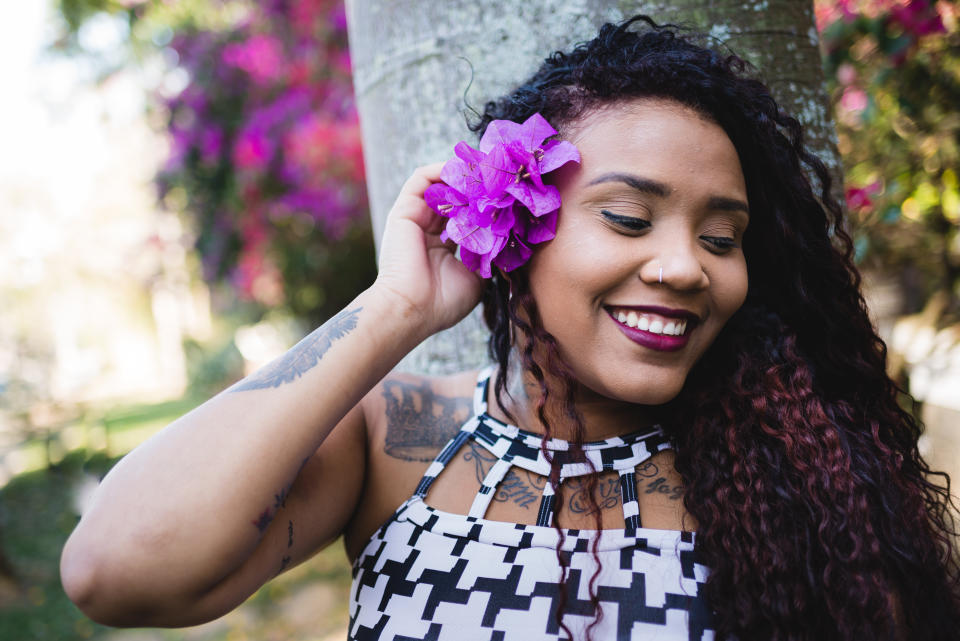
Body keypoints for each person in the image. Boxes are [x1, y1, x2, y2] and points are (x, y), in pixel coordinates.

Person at [60, 16, 960, 641]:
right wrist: (396, 310)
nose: (688, 265)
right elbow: (117, 569)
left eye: (722, 236)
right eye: (629, 218)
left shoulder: (792, 465)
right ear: (518, 230)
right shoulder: (397, 439)